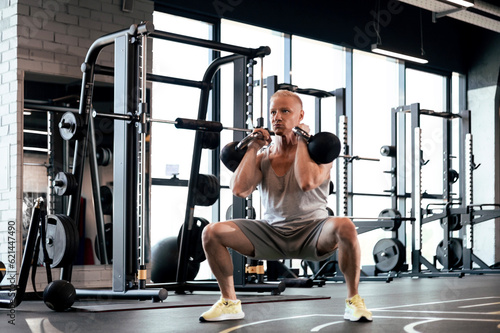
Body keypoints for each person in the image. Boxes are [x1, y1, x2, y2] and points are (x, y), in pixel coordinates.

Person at [199, 90, 372, 323]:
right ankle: (229, 302)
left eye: (284, 111)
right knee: (212, 232)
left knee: (345, 225)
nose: (277, 117)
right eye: (273, 112)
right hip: (271, 233)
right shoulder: (262, 156)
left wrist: (301, 140)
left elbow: (307, 181)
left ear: (300, 116)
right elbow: (240, 190)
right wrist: (253, 147)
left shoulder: (320, 153)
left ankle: (354, 301)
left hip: (314, 232)